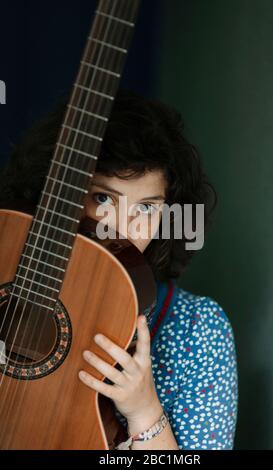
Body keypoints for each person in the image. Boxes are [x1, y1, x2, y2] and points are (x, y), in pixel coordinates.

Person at [0, 88, 238, 450]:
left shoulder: (196, 328)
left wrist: (143, 410)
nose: (122, 228)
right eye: (102, 198)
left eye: (145, 209)